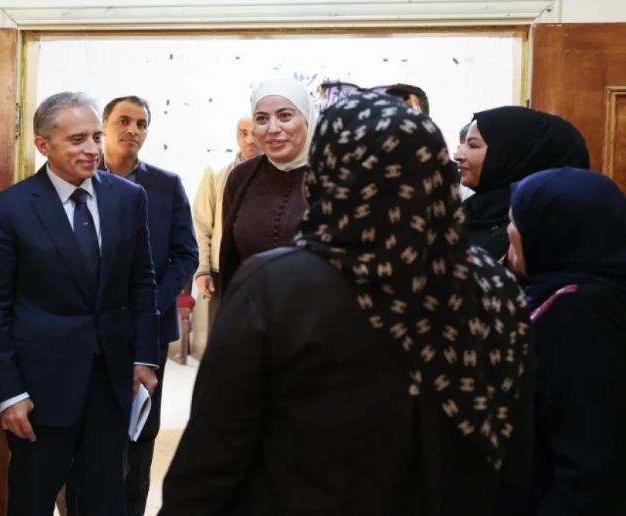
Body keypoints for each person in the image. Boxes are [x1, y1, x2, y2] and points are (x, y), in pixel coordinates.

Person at [160, 92, 534, 516]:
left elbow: (213, 455)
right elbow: (515, 452)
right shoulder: (492, 284)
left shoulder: (277, 286)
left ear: (326, 174)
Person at [0, 91, 159, 516]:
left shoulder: (129, 198)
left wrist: (144, 358)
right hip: (40, 389)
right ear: (44, 145)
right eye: (77, 140)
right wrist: (9, 393)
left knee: (104, 501)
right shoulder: (9, 209)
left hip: (110, 383)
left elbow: (142, 283)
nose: (92, 149)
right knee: (32, 500)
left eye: (95, 137)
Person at [98, 95, 198, 516]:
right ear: (104, 126)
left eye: (141, 124)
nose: (133, 130)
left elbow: (186, 254)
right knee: (90, 428)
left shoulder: (165, 185)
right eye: (124, 121)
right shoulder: (80, 177)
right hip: (91, 327)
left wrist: (151, 303)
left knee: (140, 433)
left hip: (149, 329)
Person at [508, 167, 626, 515]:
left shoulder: (578, 311)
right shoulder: (586, 291)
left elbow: (591, 462)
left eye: (515, 222)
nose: (509, 232)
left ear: (552, 232)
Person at [218, 77, 318, 297]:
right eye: (261, 119)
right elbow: (230, 258)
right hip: (251, 311)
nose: (273, 128)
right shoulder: (241, 177)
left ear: (307, 118)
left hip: (319, 313)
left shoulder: (335, 177)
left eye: (285, 116)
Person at [454, 106, 589, 259]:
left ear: (513, 156)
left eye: (473, 145)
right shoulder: (472, 212)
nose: (458, 155)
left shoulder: (534, 233)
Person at [192, 116, 260, 329]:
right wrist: (202, 269)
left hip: (263, 271)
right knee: (221, 336)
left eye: (255, 133)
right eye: (243, 133)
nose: (249, 140)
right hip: (222, 270)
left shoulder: (278, 175)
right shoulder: (216, 174)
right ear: (236, 135)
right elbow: (201, 225)